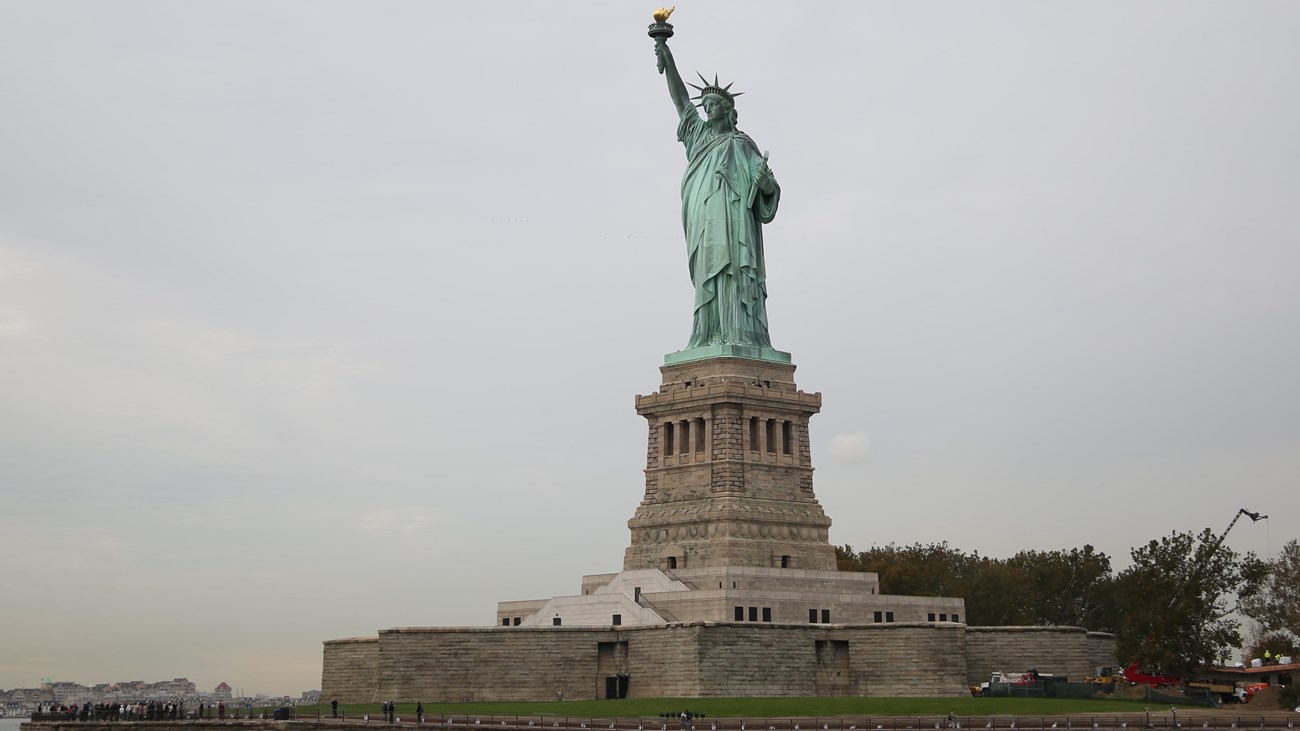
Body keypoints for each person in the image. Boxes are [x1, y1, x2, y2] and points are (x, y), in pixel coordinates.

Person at [653, 39, 780, 351]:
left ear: (729, 110)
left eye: (713, 104)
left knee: (734, 273)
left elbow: (768, 190)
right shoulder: (697, 136)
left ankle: (741, 335)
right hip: (705, 220)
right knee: (709, 273)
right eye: (705, 104)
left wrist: (764, 184)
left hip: (737, 225)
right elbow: (681, 100)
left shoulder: (742, 144)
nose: (706, 107)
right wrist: (667, 57)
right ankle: (707, 335)